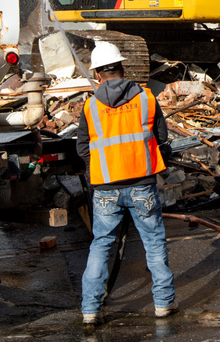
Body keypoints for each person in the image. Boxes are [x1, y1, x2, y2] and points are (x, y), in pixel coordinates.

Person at [76, 41, 176, 326]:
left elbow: (83, 149)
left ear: (97, 75)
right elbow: (162, 138)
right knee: (154, 243)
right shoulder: (146, 98)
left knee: (101, 245)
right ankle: (164, 304)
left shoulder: (90, 106)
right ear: (122, 68)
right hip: (142, 184)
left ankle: (90, 310)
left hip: (106, 188)